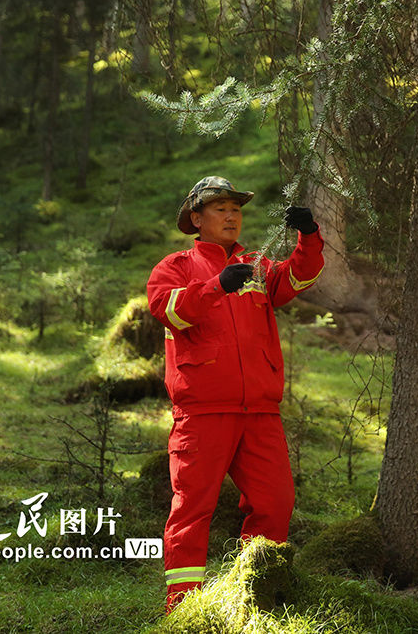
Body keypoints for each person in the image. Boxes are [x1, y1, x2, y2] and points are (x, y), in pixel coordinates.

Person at [146, 175, 324, 612]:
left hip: (261, 411)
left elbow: (299, 278)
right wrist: (216, 286)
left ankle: (255, 593)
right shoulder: (175, 267)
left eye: (236, 209)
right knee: (192, 510)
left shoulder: (257, 266)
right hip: (203, 413)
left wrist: (308, 236)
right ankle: (183, 605)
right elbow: (170, 311)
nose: (231, 215)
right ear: (196, 218)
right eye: (220, 208)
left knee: (276, 503)